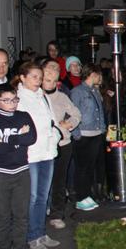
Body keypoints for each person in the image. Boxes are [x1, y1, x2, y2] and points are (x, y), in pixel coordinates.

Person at [15, 62, 61, 249]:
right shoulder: (19, 99)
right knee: (32, 197)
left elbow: (52, 122)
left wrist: (54, 137)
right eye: (34, 77)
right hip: (31, 155)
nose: (38, 81)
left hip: (47, 152)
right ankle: (31, 236)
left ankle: (40, 232)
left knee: (43, 195)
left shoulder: (43, 96)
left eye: (40, 78)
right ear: (23, 77)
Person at [0, 87, 38, 249]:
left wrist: (7, 140)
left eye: (14, 99)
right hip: (1, 173)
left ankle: (21, 248)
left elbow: (31, 138)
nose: (12, 104)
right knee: (2, 215)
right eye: (6, 100)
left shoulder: (23, 116)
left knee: (21, 214)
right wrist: (17, 137)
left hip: (22, 171)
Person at [42, 61, 80, 230]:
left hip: (62, 144)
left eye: (54, 80)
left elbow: (76, 114)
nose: (50, 84)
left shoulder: (62, 97)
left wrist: (69, 124)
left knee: (59, 180)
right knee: (43, 181)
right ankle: (41, 211)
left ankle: (57, 213)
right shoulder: (36, 97)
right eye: (47, 80)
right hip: (42, 146)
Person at [70, 63, 106, 211]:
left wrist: (102, 128)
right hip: (83, 134)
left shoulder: (95, 91)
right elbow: (72, 112)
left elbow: (100, 111)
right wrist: (76, 133)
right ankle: (80, 197)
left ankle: (87, 195)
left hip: (95, 133)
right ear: (92, 74)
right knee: (82, 167)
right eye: (98, 74)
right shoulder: (77, 91)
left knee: (90, 167)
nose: (100, 78)